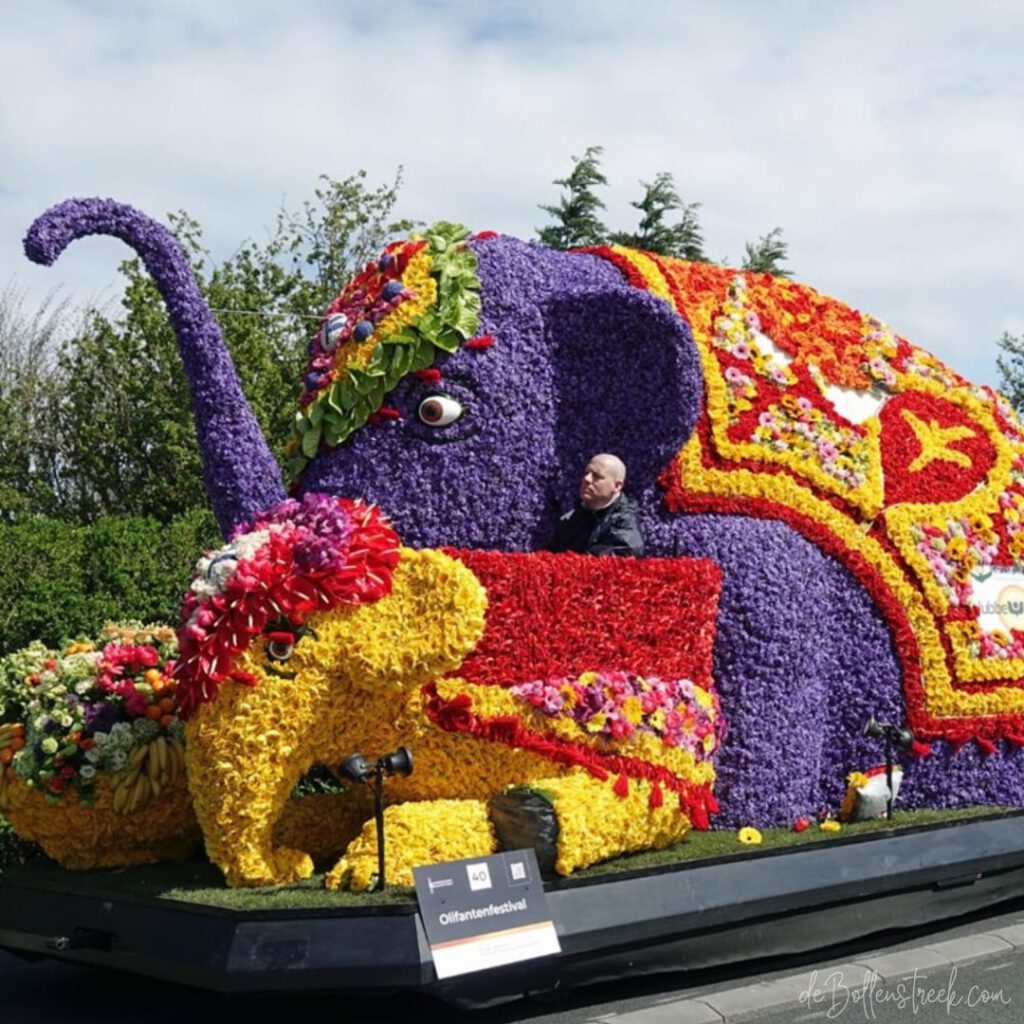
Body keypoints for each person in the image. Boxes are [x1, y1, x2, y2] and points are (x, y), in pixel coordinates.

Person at [551, 453, 644, 557]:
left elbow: (625, 553)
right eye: (586, 473)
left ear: (617, 486)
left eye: (597, 476)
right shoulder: (568, 520)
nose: (587, 479)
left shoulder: (624, 522)